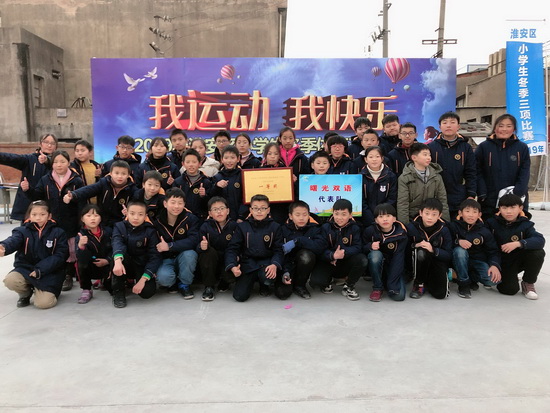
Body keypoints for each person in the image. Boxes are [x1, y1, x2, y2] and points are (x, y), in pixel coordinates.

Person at [25, 150, 84, 291]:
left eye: (62, 161)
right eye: (56, 162)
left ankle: (68, 275)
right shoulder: (46, 179)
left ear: (68, 163)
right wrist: (28, 190)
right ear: (52, 164)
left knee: (70, 249)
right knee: (56, 249)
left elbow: (82, 202)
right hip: (53, 222)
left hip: (71, 222)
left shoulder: (76, 180)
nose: (59, 164)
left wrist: (81, 221)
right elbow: (37, 196)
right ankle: (58, 274)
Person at [1, 200, 68, 309]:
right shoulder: (21, 231)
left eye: (42, 214)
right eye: (34, 214)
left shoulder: (58, 232)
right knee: (11, 280)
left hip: (49, 272)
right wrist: (4, 247)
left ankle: (44, 291)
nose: (38, 218)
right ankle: (25, 293)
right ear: (29, 216)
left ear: (49, 216)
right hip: (26, 269)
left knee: (43, 304)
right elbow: (13, 240)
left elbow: (61, 255)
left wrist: (40, 270)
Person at [225, 194, 290, 302]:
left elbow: (279, 249)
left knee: (270, 280)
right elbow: (232, 248)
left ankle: (264, 284)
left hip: (267, 263)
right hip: (248, 264)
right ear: (251, 210)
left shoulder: (275, 227)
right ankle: (252, 281)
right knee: (239, 296)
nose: (259, 211)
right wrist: (232, 266)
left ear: (268, 210)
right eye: (255, 208)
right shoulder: (242, 227)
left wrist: (274, 264)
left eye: (263, 208)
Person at [486, 194, 545, 300]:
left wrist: (519, 243)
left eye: (513, 207)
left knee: (538, 253)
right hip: (501, 261)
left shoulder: (525, 224)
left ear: (520, 208)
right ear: (499, 209)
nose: (508, 211)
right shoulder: (491, 223)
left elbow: (540, 240)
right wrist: (494, 264)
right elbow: (488, 247)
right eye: (504, 208)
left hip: (518, 258)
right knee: (509, 290)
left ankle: (528, 283)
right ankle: (508, 276)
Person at [309, 199, 368, 300]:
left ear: (350, 215)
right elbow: (320, 248)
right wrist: (332, 255)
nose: (339, 218)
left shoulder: (355, 228)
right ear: (333, 213)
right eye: (336, 214)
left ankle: (349, 286)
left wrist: (344, 252)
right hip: (329, 262)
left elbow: (358, 247)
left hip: (345, 262)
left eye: (344, 214)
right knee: (316, 283)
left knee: (362, 259)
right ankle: (328, 280)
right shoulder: (326, 227)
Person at [475, 114, 531, 216]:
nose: (504, 129)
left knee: (515, 224)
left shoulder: (522, 147)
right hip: (489, 198)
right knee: (490, 224)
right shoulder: (484, 147)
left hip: (515, 198)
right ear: (495, 128)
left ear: (514, 129)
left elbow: (525, 171)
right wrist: (482, 192)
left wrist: (518, 191)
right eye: (501, 126)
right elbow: (477, 170)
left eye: (509, 126)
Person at [111, 200, 161, 308]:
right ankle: (119, 292)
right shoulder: (119, 226)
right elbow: (117, 242)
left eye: (140, 214)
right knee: (117, 257)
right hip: (125, 262)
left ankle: (135, 280)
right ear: (127, 213)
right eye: (132, 213)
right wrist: (118, 261)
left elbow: (154, 256)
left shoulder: (150, 230)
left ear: (145, 216)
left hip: (141, 265)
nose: (136, 217)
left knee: (147, 293)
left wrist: (143, 279)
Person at [428, 112, 477, 220]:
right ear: (440, 127)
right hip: (436, 196)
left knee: (457, 225)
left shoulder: (466, 147)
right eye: (445, 123)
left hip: (459, 196)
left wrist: (471, 194)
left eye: (452, 122)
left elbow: (471, 172)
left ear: (458, 126)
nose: (448, 125)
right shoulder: (431, 147)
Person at [153, 188, 200, 299]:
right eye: (173, 202)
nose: (176, 206)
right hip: (166, 259)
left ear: (184, 204)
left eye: (180, 203)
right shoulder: (157, 222)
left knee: (190, 254)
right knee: (164, 278)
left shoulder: (190, 219)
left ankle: (184, 284)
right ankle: (173, 282)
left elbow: (193, 240)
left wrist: (170, 246)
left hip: (183, 256)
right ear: (165, 204)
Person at [450, 199, 501, 299]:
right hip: (457, 260)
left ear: (479, 214)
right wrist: (458, 241)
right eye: (467, 211)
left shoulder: (484, 231)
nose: (471, 215)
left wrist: (494, 265)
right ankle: (464, 284)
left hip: (476, 261)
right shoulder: (453, 226)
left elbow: (493, 250)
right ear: (460, 213)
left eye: (474, 212)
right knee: (460, 251)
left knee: (492, 280)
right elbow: (446, 243)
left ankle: (470, 279)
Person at [0, 133, 57, 222]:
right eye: (46, 142)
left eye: (52, 143)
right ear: (40, 144)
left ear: (56, 147)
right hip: (29, 206)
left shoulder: (58, 163)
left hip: (50, 206)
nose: (49, 145)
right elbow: (10, 158)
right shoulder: (29, 159)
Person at [64, 160, 137, 227]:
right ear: (110, 173)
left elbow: (138, 206)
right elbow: (88, 190)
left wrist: (129, 212)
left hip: (121, 223)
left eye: (123, 174)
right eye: (116, 173)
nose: (120, 176)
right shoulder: (103, 183)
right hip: (102, 221)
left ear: (128, 175)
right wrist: (73, 195)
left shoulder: (133, 190)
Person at [406, 198, 452, 300]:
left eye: (434, 214)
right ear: (421, 213)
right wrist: (415, 245)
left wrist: (433, 250)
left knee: (441, 294)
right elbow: (404, 248)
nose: (430, 217)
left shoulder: (444, 229)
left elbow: (448, 254)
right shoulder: (412, 227)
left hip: (436, 260)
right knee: (421, 252)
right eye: (427, 213)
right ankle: (419, 283)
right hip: (418, 261)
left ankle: (429, 281)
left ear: (439, 215)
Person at [362, 204, 408, 302]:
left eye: (388, 216)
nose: (385, 219)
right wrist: (370, 246)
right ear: (376, 220)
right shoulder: (370, 231)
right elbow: (361, 248)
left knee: (399, 296)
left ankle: (388, 283)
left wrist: (392, 285)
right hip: (377, 266)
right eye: (381, 216)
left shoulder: (401, 233)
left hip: (393, 266)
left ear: (394, 219)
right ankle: (377, 288)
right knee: (375, 255)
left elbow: (398, 259)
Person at [280, 201, 325, 299]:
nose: (301, 218)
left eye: (304, 215)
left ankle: (300, 285)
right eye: (297, 215)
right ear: (290, 216)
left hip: (305, 265)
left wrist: (298, 241)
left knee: (306, 256)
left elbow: (319, 247)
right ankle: (288, 279)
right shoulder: (283, 229)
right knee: (282, 294)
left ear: (309, 215)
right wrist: (285, 271)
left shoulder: (315, 228)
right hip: (288, 265)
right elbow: (280, 252)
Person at [197, 196, 238, 300]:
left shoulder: (234, 226)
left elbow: (239, 246)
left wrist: (238, 256)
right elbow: (197, 247)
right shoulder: (205, 226)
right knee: (207, 252)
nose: (219, 212)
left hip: (227, 259)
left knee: (232, 271)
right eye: (215, 209)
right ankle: (209, 286)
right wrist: (201, 246)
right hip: (211, 261)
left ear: (228, 211)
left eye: (222, 208)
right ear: (210, 213)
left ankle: (225, 281)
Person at [397, 143, 449, 224]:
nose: (429, 158)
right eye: (425, 155)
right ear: (414, 157)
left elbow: (443, 201)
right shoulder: (405, 178)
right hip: (413, 218)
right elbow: (403, 204)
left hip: (432, 216)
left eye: (429, 155)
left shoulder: (436, 177)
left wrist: (445, 223)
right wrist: (404, 226)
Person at [75, 204, 112, 304]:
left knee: (113, 290)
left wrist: (108, 260)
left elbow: (115, 248)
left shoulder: (108, 232)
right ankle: (86, 289)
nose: (92, 218)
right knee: (80, 262)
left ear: (100, 218)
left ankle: (104, 281)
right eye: (88, 215)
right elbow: (81, 258)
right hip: (91, 266)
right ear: (82, 219)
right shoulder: (80, 235)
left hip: (107, 264)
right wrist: (81, 246)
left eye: (96, 215)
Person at [360, 146, 397, 226]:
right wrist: (370, 217)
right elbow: (361, 201)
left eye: (377, 156)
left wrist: (382, 216)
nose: (374, 159)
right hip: (366, 219)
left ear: (382, 158)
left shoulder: (391, 176)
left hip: (385, 217)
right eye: (371, 157)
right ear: (366, 159)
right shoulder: (360, 177)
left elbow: (392, 198)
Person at [173, 149, 213, 221]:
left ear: (200, 163)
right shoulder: (177, 182)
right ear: (183, 164)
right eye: (188, 162)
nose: (191, 164)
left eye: (194, 162)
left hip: (201, 219)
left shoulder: (206, 182)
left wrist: (204, 196)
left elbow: (210, 203)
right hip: (182, 218)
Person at [211, 146, 247, 221]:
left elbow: (246, 198)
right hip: (222, 219)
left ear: (238, 159)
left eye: (232, 158)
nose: (229, 161)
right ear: (222, 160)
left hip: (240, 218)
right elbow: (212, 198)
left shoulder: (243, 175)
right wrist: (217, 186)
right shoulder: (217, 177)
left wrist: (241, 216)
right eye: (226, 158)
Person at [260, 143, 288, 224]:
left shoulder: (285, 171)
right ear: (265, 155)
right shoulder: (258, 171)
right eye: (269, 154)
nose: (273, 156)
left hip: (280, 207)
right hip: (263, 206)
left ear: (279, 155)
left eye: (276, 154)